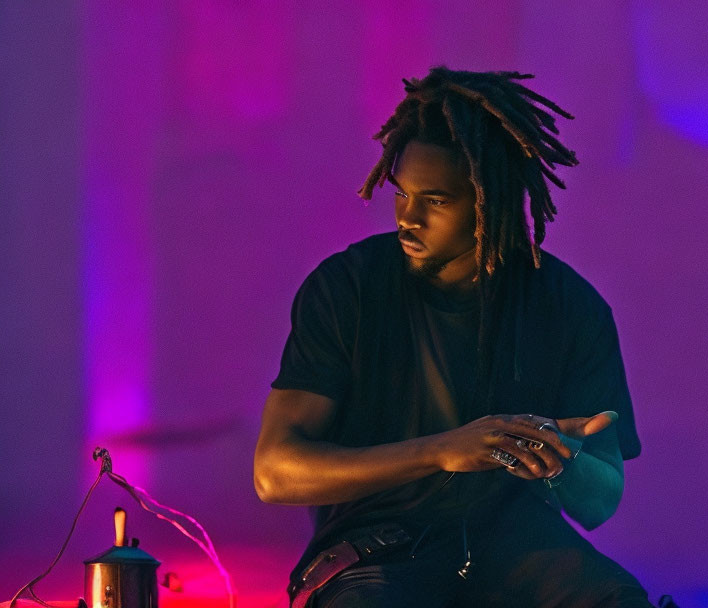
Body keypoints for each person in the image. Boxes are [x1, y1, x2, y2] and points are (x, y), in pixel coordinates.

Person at [254, 67, 657, 607]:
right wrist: (442, 451)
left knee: (616, 600)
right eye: (401, 193)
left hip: (518, 545)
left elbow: (600, 501)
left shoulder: (572, 308)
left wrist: (556, 458)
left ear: (489, 201)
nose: (407, 218)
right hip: (378, 549)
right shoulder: (347, 288)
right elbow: (275, 472)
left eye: (436, 201)